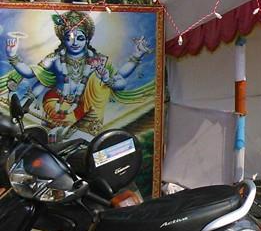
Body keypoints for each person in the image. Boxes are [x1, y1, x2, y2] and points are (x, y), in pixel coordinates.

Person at [3, 10, 152, 137]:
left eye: (80, 38)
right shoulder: (55, 59)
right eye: (69, 38)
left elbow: (120, 77)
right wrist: (12, 55)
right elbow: (30, 73)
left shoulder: (98, 60)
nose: (75, 43)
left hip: (85, 110)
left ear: (87, 40)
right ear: (63, 40)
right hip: (55, 105)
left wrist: (136, 56)